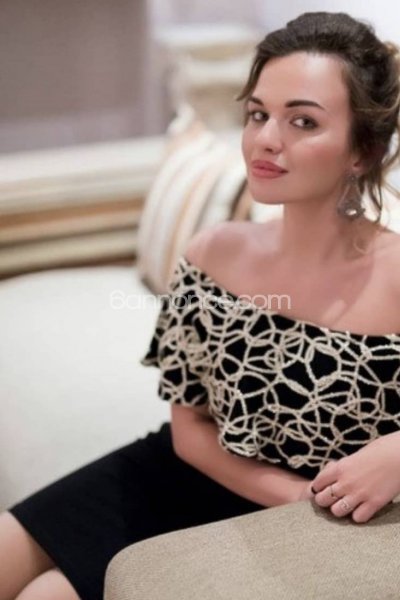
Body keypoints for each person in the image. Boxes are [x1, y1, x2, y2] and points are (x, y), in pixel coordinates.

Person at [2, 10, 400, 600]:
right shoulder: (213, 253)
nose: (266, 139)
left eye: (303, 121)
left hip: (299, 527)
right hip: (192, 473)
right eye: (258, 114)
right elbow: (189, 429)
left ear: (362, 151)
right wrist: (291, 495)